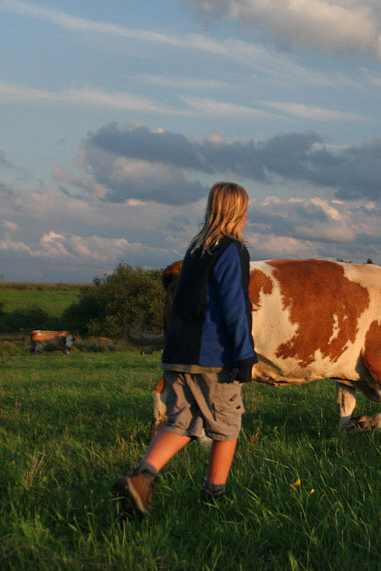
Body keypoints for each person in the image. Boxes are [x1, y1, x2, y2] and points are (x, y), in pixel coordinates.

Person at [113, 182, 258, 517]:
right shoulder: (232, 250)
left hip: (178, 352)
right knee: (227, 425)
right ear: (240, 212)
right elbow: (234, 307)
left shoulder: (196, 250)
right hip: (212, 356)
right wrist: (244, 356)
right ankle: (213, 499)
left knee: (182, 422)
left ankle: (142, 479)